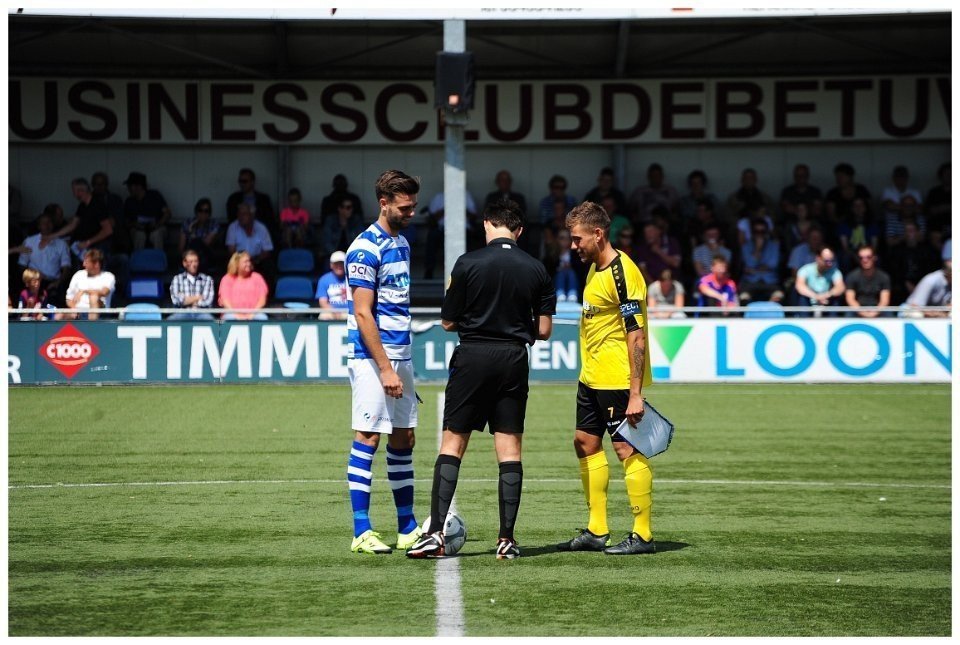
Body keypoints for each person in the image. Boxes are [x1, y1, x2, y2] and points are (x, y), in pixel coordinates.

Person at [406, 198, 556, 560]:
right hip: (514, 358)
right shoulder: (537, 269)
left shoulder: (468, 263)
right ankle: (507, 539)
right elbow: (545, 330)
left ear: (487, 224)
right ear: (518, 230)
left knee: (453, 444)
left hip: (472, 355)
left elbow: (446, 322)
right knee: (509, 450)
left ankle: (436, 534)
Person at [555, 201, 656, 556]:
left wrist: (635, 393)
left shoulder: (622, 272)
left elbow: (636, 335)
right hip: (591, 377)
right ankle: (597, 530)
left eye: (577, 238)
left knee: (627, 448)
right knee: (584, 442)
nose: (573, 245)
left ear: (598, 235)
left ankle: (642, 534)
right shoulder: (595, 269)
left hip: (617, 378)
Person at [344, 169, 422, 555]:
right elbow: (363, 314)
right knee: (368, 437)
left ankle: (406, 527)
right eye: (404, 207)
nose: (410, 213)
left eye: (413, 207)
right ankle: (362, 530)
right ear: (384, 203)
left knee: (404, 436)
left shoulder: (403, 244)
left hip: (401, 355)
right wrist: (386, 368)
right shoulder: (364, 247)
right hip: (373, 359)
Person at [10, 211, 71, 305]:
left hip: (52, 283)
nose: (47, 225)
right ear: (39, 226)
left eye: (49, 222)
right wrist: (31, 277)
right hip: (31, 282)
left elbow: (66, 268)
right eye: (44, 223)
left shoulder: (61, 244)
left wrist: (58, 282)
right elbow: (21, 265)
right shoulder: (29, 242)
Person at [48, 178, 113, 263]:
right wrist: (53, 235)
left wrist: (88, 242)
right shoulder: (82, 206)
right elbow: (73, 224)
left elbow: (108, 230)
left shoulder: (97, 205)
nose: (74, 194)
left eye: (74, 191)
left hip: (98, 247)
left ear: (80, 191)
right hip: (85, 246)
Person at [423, 189, 479, 279]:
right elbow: (432, 219)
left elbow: (474, 216)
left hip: (462, 230)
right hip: (443, 230)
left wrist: (461, 207)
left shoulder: (466, 195)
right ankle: (429, 270)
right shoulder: (439, 196)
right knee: (432, 236)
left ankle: (469, 273)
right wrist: (448, 207)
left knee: (470, 238)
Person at [58, 249, 116, 321]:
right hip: (78, 312)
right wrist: (74, 308)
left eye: (87, 262)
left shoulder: (108, 276)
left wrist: (84, 291)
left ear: (96, 264)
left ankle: (92, 328)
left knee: (94, 297)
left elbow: (104, 292)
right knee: (59, 316)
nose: (83, 264)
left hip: (100, 313)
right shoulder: (78, 274)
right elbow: (69, 299)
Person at [225, 202, 275, 284]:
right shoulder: (233, 227)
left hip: (257, 260)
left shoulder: (261, 228)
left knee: (269, 265)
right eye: (239, 214)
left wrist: (255, 260)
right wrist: (242, 261)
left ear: (252, 215)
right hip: (239, 259)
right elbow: (231, 250)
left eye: (244, 214)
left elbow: (267, 250)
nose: (241, 217)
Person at [122, 172, 171, 251]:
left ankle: (157, 261)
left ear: (139, 186)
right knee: (139, 235)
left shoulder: (154, 195)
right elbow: (125, 221)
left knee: (156, 234)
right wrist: (134, 224)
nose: (128, 188)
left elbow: (167, 213)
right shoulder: (129, 201)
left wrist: (158, 224)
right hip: (138, 229)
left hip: (157, 227)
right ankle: (138, 260)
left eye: (130, 186)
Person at [739, 218, 782, 303]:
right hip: (751, 281)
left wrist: (754, 270)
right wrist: (757, 250)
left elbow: (773, 264)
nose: (759, 234)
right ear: (752, 232)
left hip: (770, 281)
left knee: (778, 296)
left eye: (762, 232)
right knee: (744, 297)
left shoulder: (774, 245)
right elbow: (749, 264)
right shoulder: (746, 246)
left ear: (766, 232)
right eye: (756, 231)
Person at [217, 251, 268, 321]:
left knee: (262, 317)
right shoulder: (227, 279)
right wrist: (237, 315)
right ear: (237, 264)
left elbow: (262, 300)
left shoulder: (257, 277)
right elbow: (225, 301)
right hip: (232, 313)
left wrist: (252, 314)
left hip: (254, 313)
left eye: (249, 261)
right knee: (229, 318)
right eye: (245, 262)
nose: (249, 264)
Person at [226, 168, 277, 237]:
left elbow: (270, 220)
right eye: (240, 181)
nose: (242, 184)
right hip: (239, 234)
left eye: (245, 181)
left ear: (252, 182)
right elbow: (232, 219)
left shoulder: (264, 199)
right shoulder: (233, 199)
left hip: (259, 234)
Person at [881, 165, 924, 247]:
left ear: (907, 178)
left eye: (903, 176)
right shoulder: (887, 190)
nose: (901, 179)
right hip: (893, 223)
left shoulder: (915, 191)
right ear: (893, 178)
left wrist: (899, 207)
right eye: (898, 176)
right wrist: (909, 208)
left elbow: (920, 209)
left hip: (914, 221)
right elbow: (888, 206)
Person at [627, 162, 680, 228]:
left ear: (662, 176)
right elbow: (630, 209)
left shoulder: (671, 191)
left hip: (665, 224)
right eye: (653, 176)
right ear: (648, 177)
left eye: (658, 175)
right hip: (644, 223)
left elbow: (677, 210)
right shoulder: (639, 191)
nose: (655, 178)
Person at [844, 246, 891, 318]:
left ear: (874, 258)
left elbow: (884, 300)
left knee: (890, 316)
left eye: (868, 257)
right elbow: (850, 299)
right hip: (857, 310)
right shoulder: (852, 276)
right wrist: (863, 313)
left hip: (878, 310)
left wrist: (874, 313)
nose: (865, 260)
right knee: (847, 316)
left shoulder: (883, 277)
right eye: (861, 258)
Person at [179, 197, 222, 274]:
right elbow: (181, 248)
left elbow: (207, 243)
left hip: (207, 256)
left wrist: (191, 233)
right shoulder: (188, 223)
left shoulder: (214, 224)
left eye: (206, 211)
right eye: (200, 210)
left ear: (209, 213)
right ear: (196, 211)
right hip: (190, 255)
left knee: (197, 242)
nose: (203, 213)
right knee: (194, 244)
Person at [169, 250, 215, 320]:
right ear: (184, 263)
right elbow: (176, 301)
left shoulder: (207, 279)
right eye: (190, 262)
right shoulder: (177, 279)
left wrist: (187, 300)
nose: (194, 264)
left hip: (201, 313)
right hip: (182, 312)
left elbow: (208, 302)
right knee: (170, 320)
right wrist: (198, 297)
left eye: (196, 261)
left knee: (211, 321)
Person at [796, 247, 845, 312]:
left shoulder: (835, 271)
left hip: (827, 301)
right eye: (826, 261)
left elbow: (840, 287)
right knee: (802, 299)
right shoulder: (805, 269)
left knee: (835, 301)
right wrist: (816, 296)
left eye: (832, 261)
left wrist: (827, 295)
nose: (830, 264)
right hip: (809, 300)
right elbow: (800, 286)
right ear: (818, 258)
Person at [633, 219, 682, 285]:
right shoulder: (642, 247)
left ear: (658, 231)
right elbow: (643, 270)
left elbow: (676, 263)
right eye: (645, 232)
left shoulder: (671, 242)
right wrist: (654, 285)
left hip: (672, 282)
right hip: (652, 284)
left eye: (650, 231)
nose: (648, 235)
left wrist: (659, 251)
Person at [315, 250, 349, 320]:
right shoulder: (324, 279)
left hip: (349, 311)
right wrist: (334, 311)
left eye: (341, 263)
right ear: (331, 265)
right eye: (336, 263)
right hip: (330, 311)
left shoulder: (352, 278)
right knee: (324, 316)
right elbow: (322, 302)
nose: (339, 266)